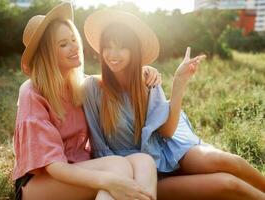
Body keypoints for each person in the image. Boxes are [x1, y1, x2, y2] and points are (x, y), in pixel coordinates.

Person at [83, 9, 265, 200]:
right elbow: (99, 148)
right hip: (141, 175)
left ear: (134, 50)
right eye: (107, 47)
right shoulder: (92, 88)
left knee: (229, 161)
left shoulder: (146, 81)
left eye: (121, 47)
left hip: (168, 150)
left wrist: (179, 82)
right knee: (229, 184)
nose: (113, 54)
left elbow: (167, 132)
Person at [13, 2, 161, 200]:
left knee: (144, 161)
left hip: (78, 168)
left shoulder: (78, 85)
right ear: (46, 54)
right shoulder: (31, 92)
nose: (74, 47)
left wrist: (142, 71)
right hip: (40, 182)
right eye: (63, 44)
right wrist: (107, 181)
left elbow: (108, 80)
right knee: (116, 168)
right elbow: (54, 166)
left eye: (73, 39)